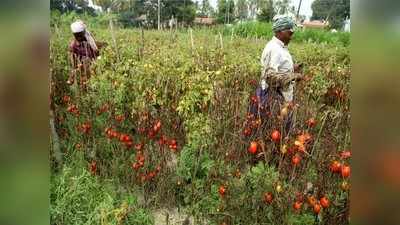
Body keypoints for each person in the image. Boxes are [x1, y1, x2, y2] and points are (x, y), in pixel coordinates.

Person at [255, 16, 304, 134]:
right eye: (289, 33)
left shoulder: (280, 47)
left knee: (280, 129)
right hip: (275, 96)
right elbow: (271, 77)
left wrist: (293, 68)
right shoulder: (275, 49)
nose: (291, 36)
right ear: (281, 32)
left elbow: (277, 69)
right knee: (276, 129)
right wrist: (293, 76)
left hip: (281, 95)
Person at [68, 20, 106, 89]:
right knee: (75, 64)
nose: (78, 37)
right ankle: (72, 78)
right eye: (76, 35)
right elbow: (73, 56)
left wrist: (98, 57)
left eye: (80, 35)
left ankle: (89, 81)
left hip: (89, 53)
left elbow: (95, 48)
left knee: (93, 55)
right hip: (79, 51)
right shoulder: (73, 45)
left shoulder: (87, 36)